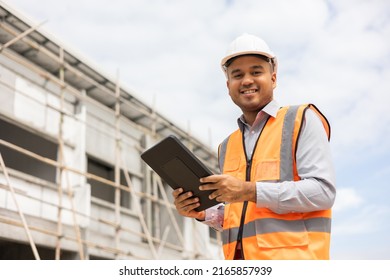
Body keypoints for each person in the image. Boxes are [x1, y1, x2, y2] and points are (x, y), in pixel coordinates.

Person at [172, 33, 336, 260]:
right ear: (228, 85)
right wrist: (201, 212)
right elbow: (238, 216)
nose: (247, 80)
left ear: (274, 78)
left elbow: (323, 193)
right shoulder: (227, 146)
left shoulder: (301, 119)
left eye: (256, 71)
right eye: (237, 75)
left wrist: (249, 190)